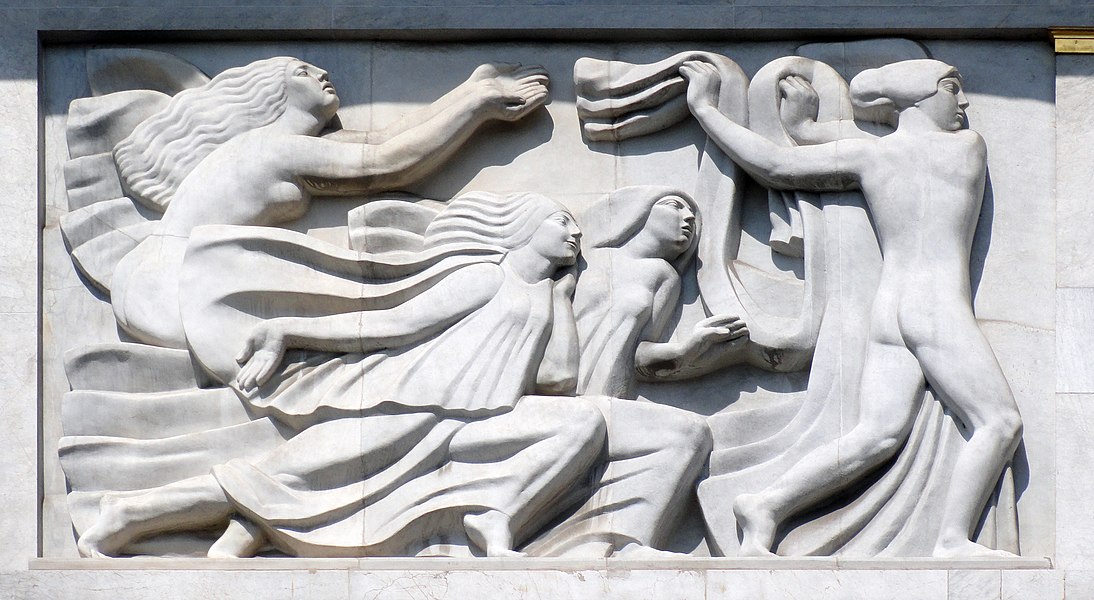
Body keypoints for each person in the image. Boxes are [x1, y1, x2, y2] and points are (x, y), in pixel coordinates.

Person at [76, 191, 606, 559]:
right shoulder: (485, 278)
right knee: (281, 479)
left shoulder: (544, 295)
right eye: (562, 221)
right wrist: (291, 331)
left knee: (580, 423)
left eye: (575, 225)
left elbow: (560, 379)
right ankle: (130, 513)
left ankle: (494, 513)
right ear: (525, 225)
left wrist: (563, 298)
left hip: (476, 421)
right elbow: (392, 325)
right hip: (407, 410)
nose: (576, 232)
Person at [679, 58, 1023, 558]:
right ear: (917, 95)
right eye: (952, 88)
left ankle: (765, 504)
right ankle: (951, 540)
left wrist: (708, 110)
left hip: (890, 311)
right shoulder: (966, 146)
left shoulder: (871, 157)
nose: (964, 103)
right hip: (935, 307)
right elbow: (803, 161)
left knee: (877, 435)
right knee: (1000, 422)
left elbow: (774, 166)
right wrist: (809, 130)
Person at [109, 56, 549, 348]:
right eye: (302, 72)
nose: (321, 73)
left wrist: (468, 89)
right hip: (175, 290)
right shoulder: (271, 149)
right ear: (271, 94)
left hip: (177, 278)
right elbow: (388, 162)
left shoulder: (281, 145)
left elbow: (382, 139)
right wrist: (478, 105)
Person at [527, 186, 746, 557]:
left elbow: (640, 355)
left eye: (693, 217)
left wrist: (688, 348)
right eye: (675, 206)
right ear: (638, 211)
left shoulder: (664, 277)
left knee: (689, 435)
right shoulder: (583, 260)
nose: (688, 219)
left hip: (605, 403)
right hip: (549, 394)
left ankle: (617, 542)